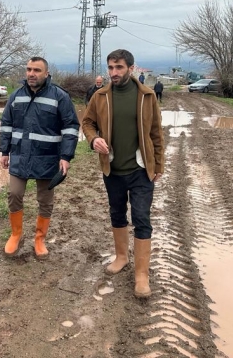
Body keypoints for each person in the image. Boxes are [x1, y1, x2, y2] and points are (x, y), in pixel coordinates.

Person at [81, 49, 164, 298]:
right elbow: (87, 122)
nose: (113, 73)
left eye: (118, 67)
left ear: (130, 68)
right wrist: (93, 139)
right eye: (110, 68)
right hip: (112, 168)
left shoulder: (147, 96)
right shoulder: (100, 96)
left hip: (140, 170)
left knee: (141, 218)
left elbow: (157, 133)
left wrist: (158, 165)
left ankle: (142, 275)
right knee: (117, 213)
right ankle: (121, 257)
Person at [0, 56, 79, 260]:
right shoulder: (16, 96)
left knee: (45, 200)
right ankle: (16, 235)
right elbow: (6, 124)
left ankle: (39, 239)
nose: (31, 74)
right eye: (29, 69)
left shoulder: (60, 96)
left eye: (36, 70)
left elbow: (70, 126)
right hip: (19, 156)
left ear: (46, 74)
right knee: (14, 194)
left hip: (47, 157)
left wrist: (66, 156)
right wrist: (4, 151)